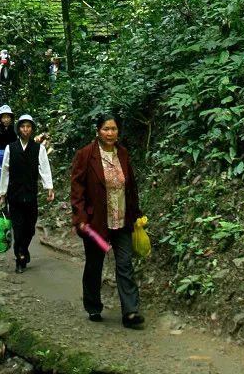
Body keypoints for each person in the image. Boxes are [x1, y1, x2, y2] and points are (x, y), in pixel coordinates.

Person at [70, 111, 144, 328]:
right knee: (95, 265)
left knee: (124, 264)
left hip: (121, 220)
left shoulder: (122, 154)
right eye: (106, 129)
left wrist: (136, 214)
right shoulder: (86, 155)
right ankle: (93, 306)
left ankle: (130, 312)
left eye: (113, 129)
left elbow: (130, 186)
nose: (110, 133)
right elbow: (77, 189)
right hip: (96, 223)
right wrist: (80, 217)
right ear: (98, 131)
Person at [0, 112, 54, 273]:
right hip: (14, 195)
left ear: (32, 129)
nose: (25, 130)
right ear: (18, 129)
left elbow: (44, 168)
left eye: (28, 127)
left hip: (30, 194)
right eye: (23, 126)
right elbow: (5, 172)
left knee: (29, 228)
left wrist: (49, 187)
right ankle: (19, 256)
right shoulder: (11, 148)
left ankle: (24, 249)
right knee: (18, 227)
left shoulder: (38, 149)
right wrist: (2, 194)